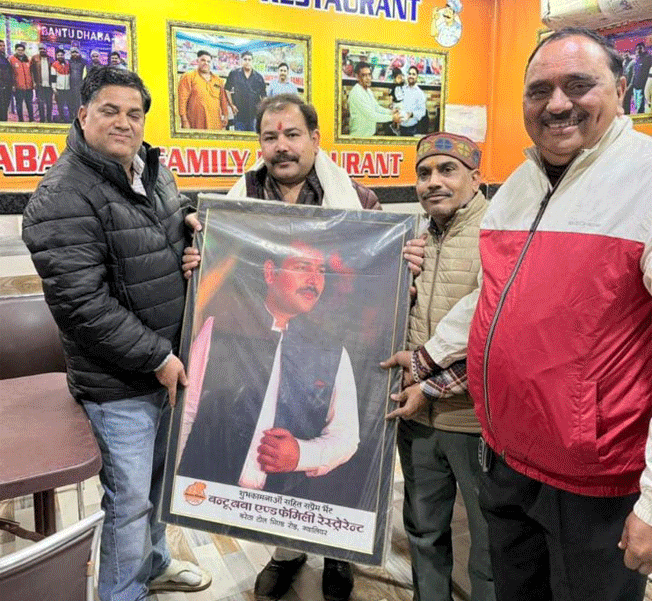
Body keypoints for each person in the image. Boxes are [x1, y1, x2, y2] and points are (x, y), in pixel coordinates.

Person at [420, 27, 652, 601]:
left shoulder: (645, 179)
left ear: (621, 90)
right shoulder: (519, 185)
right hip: (506, 457)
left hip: (594, 481)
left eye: (579, 85)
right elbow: (494, 294)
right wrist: (431, 352)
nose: (556, 104)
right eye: (539, 90)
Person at [181, 93, 424, 601]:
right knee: (263, 431)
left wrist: (406, 267)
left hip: (341, 343)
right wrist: (201, 261)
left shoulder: (359, 200)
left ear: (315, 139)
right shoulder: (240, 198)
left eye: (292, 135)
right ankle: (285, 553)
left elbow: (381, 275)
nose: (282, 146)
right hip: (257, 335)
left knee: (329, 440)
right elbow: (221, 271)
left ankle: (337, 554)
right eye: (270, 137)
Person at [22, 66, 211, 601]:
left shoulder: (152, 170)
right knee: (128, 502)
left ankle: (155, 564)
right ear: (83, 115)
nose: (124, 123)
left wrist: (191, 223)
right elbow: (82, 305)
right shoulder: (61, 196)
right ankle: (124, 592)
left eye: (134, 113)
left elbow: (164, 224)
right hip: (119, 385)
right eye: (110, 110)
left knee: (157, 486)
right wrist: (157, 357)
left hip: (168, 369)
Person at [382, 133, 494, 601]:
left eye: (447, 170)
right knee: (423, 529)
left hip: (472, 421)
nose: (433, 182)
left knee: (489, 543)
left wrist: (431, 385)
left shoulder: (497, 234)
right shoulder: (413, 239)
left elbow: (494, 334)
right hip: (417, 418)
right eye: (424, 173)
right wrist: (398, 287)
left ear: (476, 177)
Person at [178, 238, 360, 499]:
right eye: (302, 267)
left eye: (321, 271)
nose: (314, 280)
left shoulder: (331, 354)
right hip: (206, 494)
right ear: (270, 273)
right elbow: (186, 411)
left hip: (281, 506)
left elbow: (346, 437)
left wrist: (301, 455)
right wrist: (174, 486)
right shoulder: (221, 328)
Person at [177, 49, 228, 130]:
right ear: (197, 61)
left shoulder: (218, 80)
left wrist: (225, 115)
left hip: (215, 124)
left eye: (208, 61)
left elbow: (223, 100)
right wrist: (184, 120)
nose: (206, 63)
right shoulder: (188, 77)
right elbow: (182, 100)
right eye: (203, 60)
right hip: (195, 123)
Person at [347, 61, 399, 137]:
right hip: (359, 136)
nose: (368, 78)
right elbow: (371, 116)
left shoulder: (368, 90)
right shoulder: (356, 93)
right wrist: (392, 118)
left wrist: (390, 112)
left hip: (369, 135)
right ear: (357, 77)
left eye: (369, 75)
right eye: (364, 75)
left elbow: (376, 107)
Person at [225, 50, 266, 131]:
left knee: (253, 137)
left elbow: (263, 96)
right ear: (241, 61)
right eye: (245, 59)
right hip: (239, 115)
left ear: (252, 61)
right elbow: (227, 89)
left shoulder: (258, 77)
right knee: (240, 138)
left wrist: (261, 111)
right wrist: (231, 105)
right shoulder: (234, 74)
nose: (247, 62)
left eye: (249, 60)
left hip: (254, 116)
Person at [399, 65, 427, 136]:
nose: (411, 76)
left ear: (417, 77)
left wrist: (412, 114)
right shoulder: (402, 89)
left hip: (412, 129)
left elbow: (422, 112)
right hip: (400, 127)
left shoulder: (420, 93)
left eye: (413, 74)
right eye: (410, 74)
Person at [9, 43, 33, 122]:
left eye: (22, 50)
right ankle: (21, 120)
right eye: (18, 50)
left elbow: (32, 72)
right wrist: (13, 85)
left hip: (28, 86)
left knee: (29, 104)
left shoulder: (28, 60)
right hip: (18, 87)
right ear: (15, 50)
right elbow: (10, 73)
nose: (20, 51)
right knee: (19, 105)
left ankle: (31, 120)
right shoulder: (12, 59)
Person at [30, 43, 53, 123]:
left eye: (43, 49)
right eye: (40, 49)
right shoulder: (34, 58)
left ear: (46, 50)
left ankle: (49, 119)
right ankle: (42, 119)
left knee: (49, 103)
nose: (42, 50)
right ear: (39, 50)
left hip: (49, 85)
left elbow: (54, 73)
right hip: (39, 84)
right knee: (40, 103)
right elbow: (31, 71)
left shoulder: (51, 59)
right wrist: (34, 82)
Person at [50, 48, 72, 123]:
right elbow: (53, 77)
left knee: (69, 104)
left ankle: (70, 118)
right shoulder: (54, 65)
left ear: (64, 55)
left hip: (68, 88)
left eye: (61, 55)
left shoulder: (68, 63)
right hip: (59, 88)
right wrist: (54, 88)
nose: (60, 56)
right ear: (56, 56)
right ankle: (61, 118)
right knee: (60, 105)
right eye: (58, 55)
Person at [631, 42, 651, 114]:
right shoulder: (638, 59)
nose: (638, 50)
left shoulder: (648, 58)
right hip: (636, 86)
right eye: (637, 49)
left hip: (642, 86)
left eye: (640, 48)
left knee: (640, 107)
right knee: (636, 106)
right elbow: (635, 73)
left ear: (644, 49)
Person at [68, 46, 87, 117]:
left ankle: (78, 116)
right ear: (70, 54)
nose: (75, 54)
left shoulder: (83, 62)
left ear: (79, 53)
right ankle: (71, 116)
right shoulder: (68, 62)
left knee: (79, 102)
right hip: (70, 85)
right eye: (73, 52)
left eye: (76, 52)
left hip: (80, 85)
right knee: (71, 101)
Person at [0, 40, 13, 121]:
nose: (2, 47)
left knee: (5, 106)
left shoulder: (4, 57)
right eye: (0, 45)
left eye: (3, 45)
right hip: (2, 86)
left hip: (7, 86)